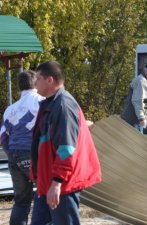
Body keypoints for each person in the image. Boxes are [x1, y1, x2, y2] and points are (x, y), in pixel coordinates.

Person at [30, 61, 101, 225]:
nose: (35, 84)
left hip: (62, 183)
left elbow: (66, 149)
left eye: (38, 79)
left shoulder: (63, 106)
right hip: (47, 180)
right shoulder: (50, 103)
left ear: (50, 80)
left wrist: (57, 183)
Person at [0, 70, 44, 225]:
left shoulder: (10, 109)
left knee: (21, 201)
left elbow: (3, 137)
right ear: (36, 82)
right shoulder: (43, 102)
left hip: (14, 156)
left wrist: (12, 154)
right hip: (35, 155)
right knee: (43, 195)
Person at [121, 63, 147, 133]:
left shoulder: (145, 81)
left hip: (136, 120)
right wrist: (141, 118)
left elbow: (145, 101)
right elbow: (138, 101)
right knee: (134, 143)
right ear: (146, 71)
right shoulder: (141, 81)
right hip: (133, 121)